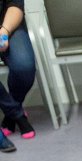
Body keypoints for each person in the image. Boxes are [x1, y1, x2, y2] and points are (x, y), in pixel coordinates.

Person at [0, 0, 36, 139]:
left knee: (24, 67)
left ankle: (11, 112)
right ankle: (17, 114)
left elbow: (15, 5)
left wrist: (4, 31)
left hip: (9, 24)